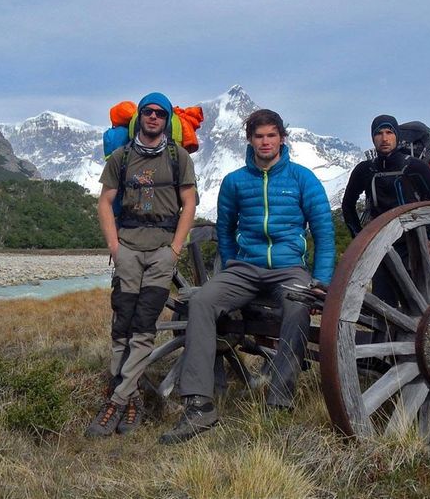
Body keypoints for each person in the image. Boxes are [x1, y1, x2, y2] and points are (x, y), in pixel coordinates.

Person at [159, 108, 335, 444]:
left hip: (288, 268)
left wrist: (321, 282)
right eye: (259, 136)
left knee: (297, 308)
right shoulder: (235, 182)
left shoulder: (302, 179)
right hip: (244, 268)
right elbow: (225, 231)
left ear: (282, 138)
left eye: (271, 135)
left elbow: (324, 234)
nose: (265, 142)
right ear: (250, 140)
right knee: (202, 302)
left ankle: (279, 399)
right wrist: (233, 267)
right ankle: (199, 405)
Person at [85, 91, 197, 438]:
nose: (153, 117)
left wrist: (175, 248)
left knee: (145, 323)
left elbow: (189, 203)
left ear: (167, 120)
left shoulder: (179, 158)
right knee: (123, 322)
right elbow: (105, 202)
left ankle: (116, 401)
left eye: (159, 113)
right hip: (129, 248)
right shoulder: (121, 157)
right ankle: (131, 398)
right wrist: (115, 247)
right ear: (139, 118)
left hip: (162, 249)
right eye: (147, 112)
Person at [341, 115, 430, 307]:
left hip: (414, 244)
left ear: (397, 136)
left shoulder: (414, 167)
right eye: (379, 133)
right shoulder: (364, 170)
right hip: (380, 246)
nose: (384, 138)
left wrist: (429, 238)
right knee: (384, 307)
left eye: (389, 132)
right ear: (373, 138)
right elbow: (347, 205)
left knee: (426, 303)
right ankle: (388, 337)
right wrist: (360, 238)